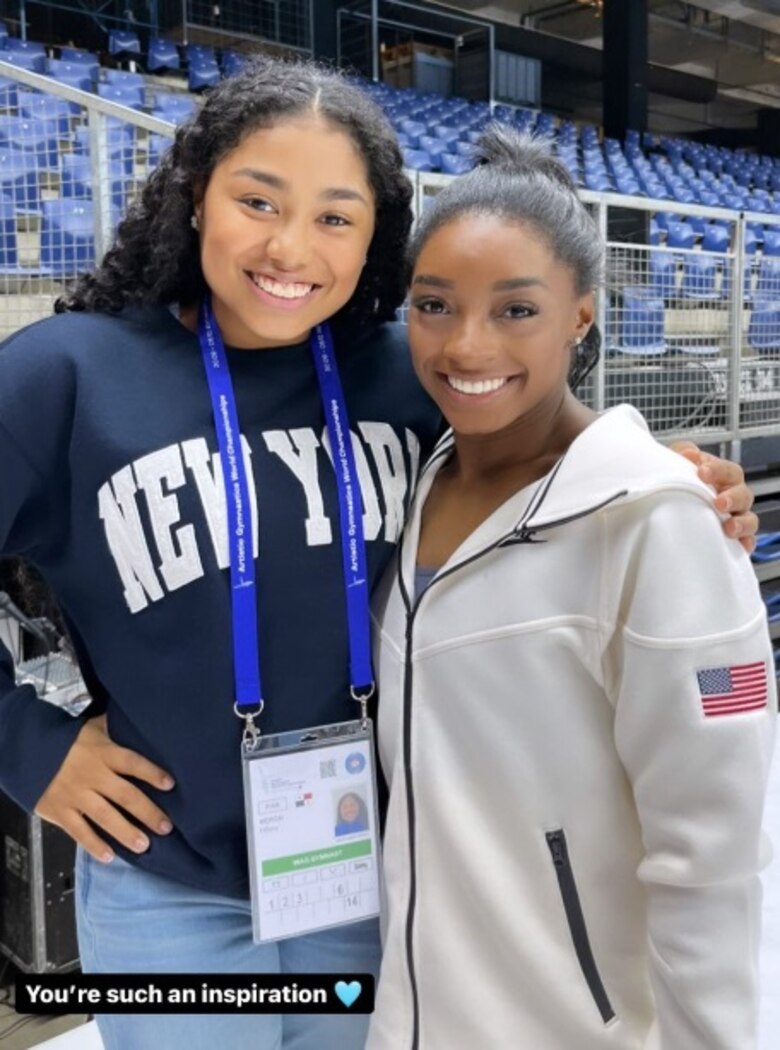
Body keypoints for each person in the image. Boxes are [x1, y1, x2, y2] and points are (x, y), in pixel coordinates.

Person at [0, 55, 757, 1049]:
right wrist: (32, 749)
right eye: (257, 200)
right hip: (169, 890)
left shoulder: (414, 366)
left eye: (335, 217)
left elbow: (544, 449)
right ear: (195, 196)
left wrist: (674, 478)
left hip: (376, 877)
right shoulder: (66, 375)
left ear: (376, 238)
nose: (290, 246)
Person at [367, 126, 776, 1050]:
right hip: (414, 1018)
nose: (466, 344)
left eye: (517, 310)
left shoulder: (658, 521)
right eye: (435, 305)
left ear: (581, 318)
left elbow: (712, 856)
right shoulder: (425, 475)